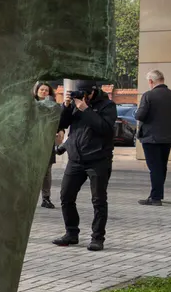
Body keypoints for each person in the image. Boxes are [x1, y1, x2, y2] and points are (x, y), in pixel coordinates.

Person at [53, 80, 116, 252]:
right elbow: (62, 124)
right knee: (66, 196)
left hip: (98, 160)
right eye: (78, 93)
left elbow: (105, 129)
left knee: (98, 200)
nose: (81, 97)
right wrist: (66, 106)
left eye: (84, 94)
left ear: (93, 92)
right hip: (76, 159)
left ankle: (97, 238)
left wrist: (86, 110)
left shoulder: (107, 106)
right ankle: (71, 233)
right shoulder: (75, 104)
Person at [136, 69, 171, 206]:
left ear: (151, 81)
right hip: (167, 137)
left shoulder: (148, 96)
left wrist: (136, 112)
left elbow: (140, 116)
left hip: (151, 137)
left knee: (154, 168)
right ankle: (157, 194)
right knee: (162, 167)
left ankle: (155, 197)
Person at [34, 83, 59, 209]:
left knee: (46, 173)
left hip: (47, 142)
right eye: (41, 89)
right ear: (36, 90)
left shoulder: (53, 106)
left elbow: (57, 122)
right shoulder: (30, 105)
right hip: (32, 142)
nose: (44, 92)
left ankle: (46, 198)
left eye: (46, 90)